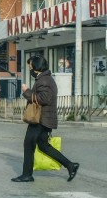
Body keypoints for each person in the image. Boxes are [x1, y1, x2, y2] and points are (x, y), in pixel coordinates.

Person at [12, 55, 80, 183]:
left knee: (29, 144)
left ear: (36, 67)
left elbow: (43, 99)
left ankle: (27, 175)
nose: (29, 69)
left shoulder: (45, 81)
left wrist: (27, 91)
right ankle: (70, 165)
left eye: (30, 67)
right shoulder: (43, 79)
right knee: (43, 146)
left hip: (40, 119)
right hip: (43, 118)